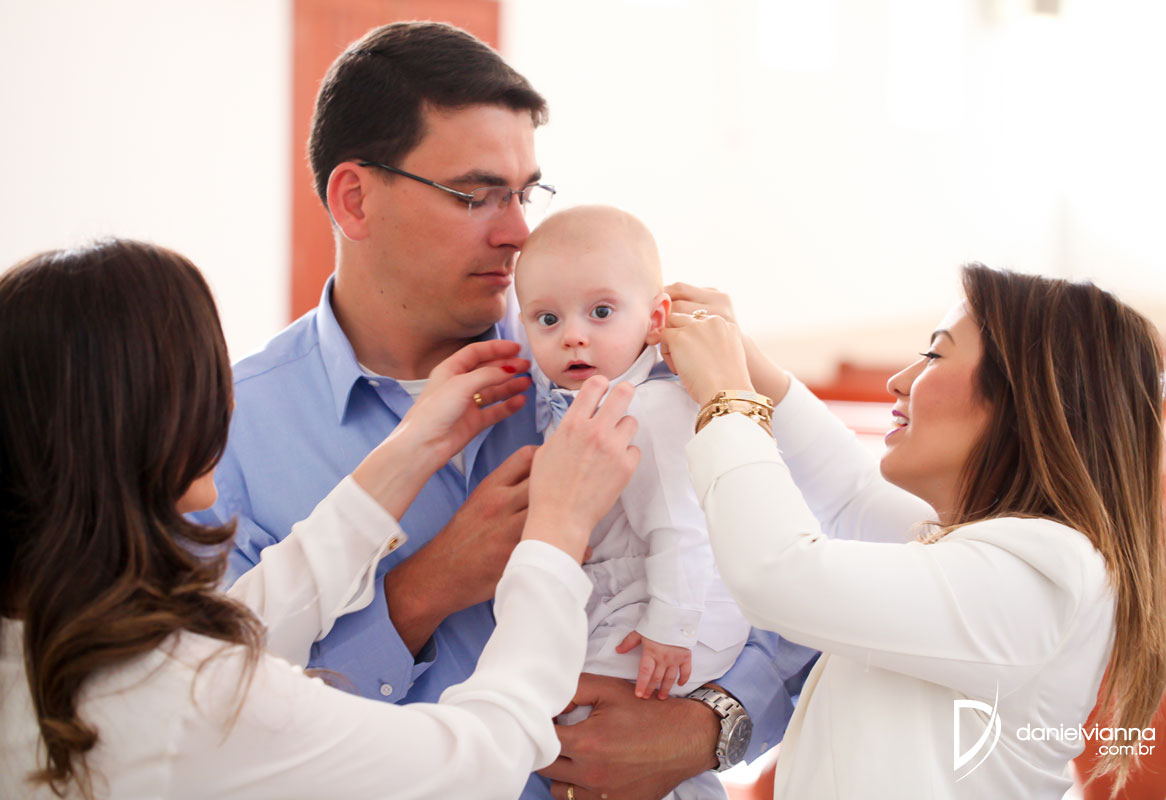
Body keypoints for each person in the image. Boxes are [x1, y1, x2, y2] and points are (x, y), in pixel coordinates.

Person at [194, 21, 809, 800]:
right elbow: (213, 725)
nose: (519, 232)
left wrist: (706, 729)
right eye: (476, 195)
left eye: (524, 193)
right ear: (354, 199)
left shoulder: (637, 360)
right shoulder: (224, 436)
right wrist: (423, 591)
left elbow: (813, 592)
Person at [0, 239, 641, 798]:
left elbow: (248, 621)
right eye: (201, 378)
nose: (225, 403)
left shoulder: (42, 642)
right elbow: (479, 760)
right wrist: (555, 535)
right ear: (139, 420)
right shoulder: (190, 703)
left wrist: (411, 447)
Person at [658, 265, 1166, 798]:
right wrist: (748, 362)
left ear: (1024, 400)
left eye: (934, 355)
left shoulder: (1041, 575)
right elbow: (849, 494)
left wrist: (728, 397)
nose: (899, 381)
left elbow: (777, 572)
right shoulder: (990, 550)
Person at [515, 206, 752, 799]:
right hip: (633, 597)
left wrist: (670, 628)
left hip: (675, 612)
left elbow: (682, 527)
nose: (573, 335)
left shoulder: (649, 409)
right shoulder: (588, 403)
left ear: (655, 319)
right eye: (548, 319)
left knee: (585, 720)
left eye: (600, 312)